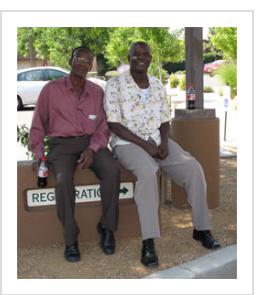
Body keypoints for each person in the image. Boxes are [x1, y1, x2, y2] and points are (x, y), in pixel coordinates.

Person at [104, 41, 220, 268]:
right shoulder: (115, 85)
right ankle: (148, 242)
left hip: (158, 141)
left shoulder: (157, 85)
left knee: (193, 168)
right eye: (136, 54)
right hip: (127, 143)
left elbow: (164, 120)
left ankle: (201, 228)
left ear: (149, 58)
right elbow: (114, 125)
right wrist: (146, 147)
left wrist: (165, 142)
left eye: (145, 54)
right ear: (129, 58)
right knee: (148, 171)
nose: (141, 57)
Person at [29, 46, 120, 263]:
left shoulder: (97, 92)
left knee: (112, 170)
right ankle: (71, 238)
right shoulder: (51, 90)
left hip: (91, 143)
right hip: (61, 146)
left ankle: (107, 229)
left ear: (90, 66)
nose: (83, 63)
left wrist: (92, 148)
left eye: (87, 61)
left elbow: (103, 126)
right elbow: (37, 125)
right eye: (79, 58)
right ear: (70, 60)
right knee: (62, 180)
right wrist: (39, 153)